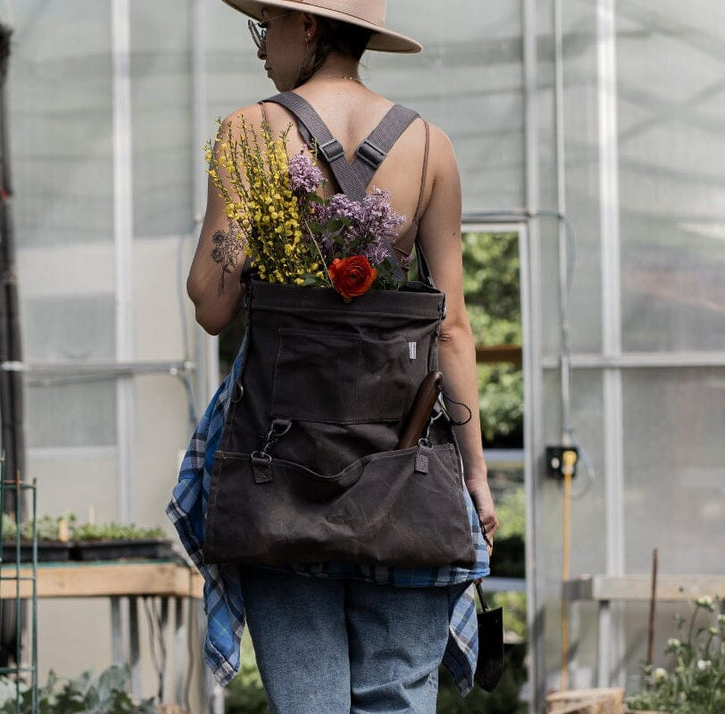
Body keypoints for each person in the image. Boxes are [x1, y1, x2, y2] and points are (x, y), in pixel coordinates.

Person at [170, 1, 498, 711]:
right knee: (398, 698)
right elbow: (452, 330)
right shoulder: (430, 145)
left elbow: (211, 304)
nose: (262, 50)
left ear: (309, 28)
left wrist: (253, 238)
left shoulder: (249, 133)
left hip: (280, 472)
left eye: (269, 29)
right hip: (404, 471)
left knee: (311, 701)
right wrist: (474, 473)